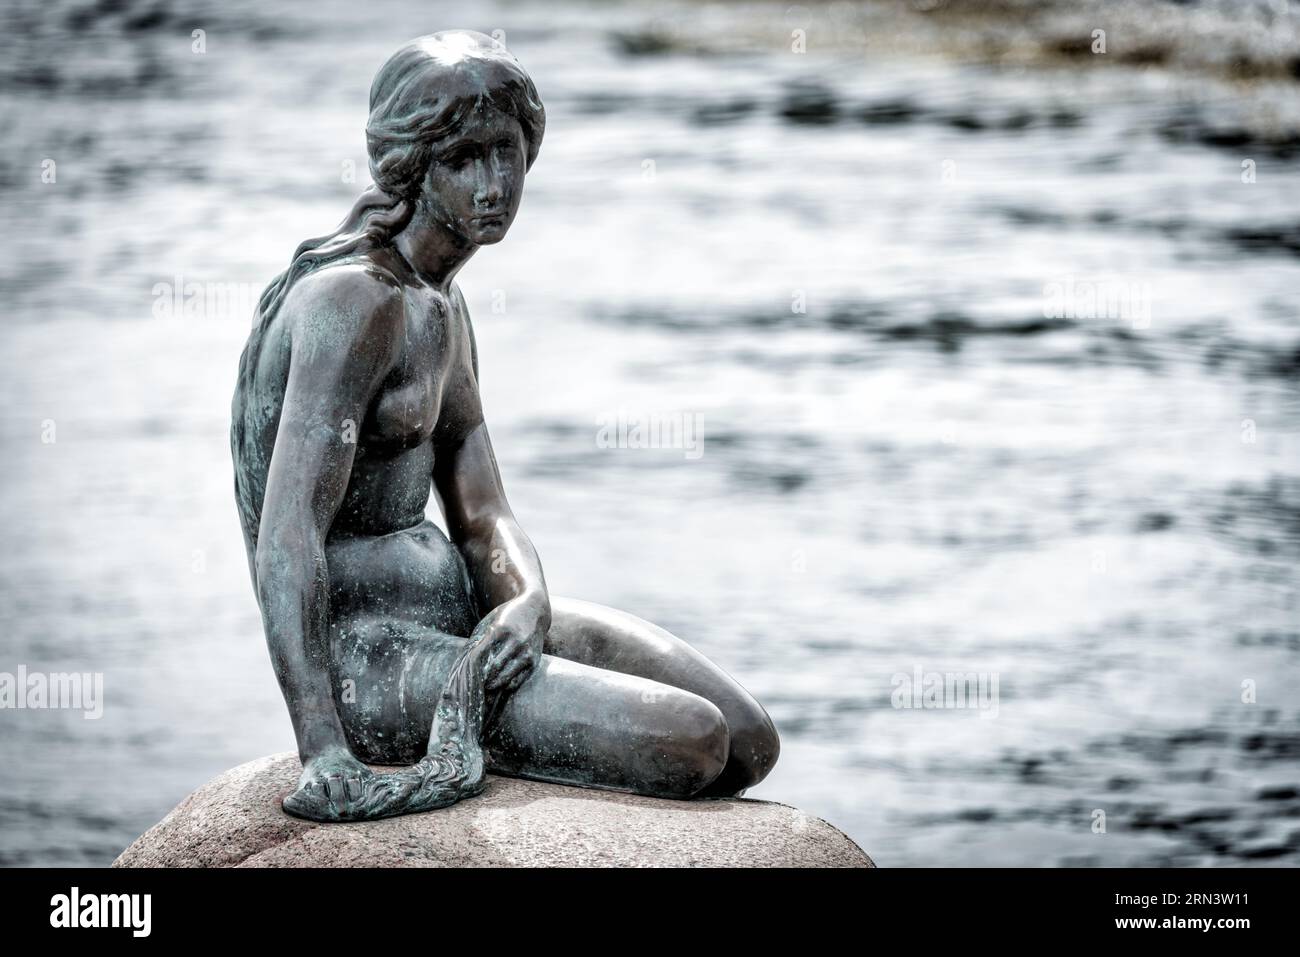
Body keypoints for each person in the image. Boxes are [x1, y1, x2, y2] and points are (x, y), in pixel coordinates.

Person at [230, 31, 779, 821]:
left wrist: (525, 602)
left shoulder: (440, 305)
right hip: (374, 661)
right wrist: (323, 747)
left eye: (508, 153)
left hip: (463, 619)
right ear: (415, 165)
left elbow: (484, 512)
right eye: (465, 158)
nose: (495, 182)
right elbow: (286, 535)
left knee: (750, 737)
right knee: (692, 739)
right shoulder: (352, 305)